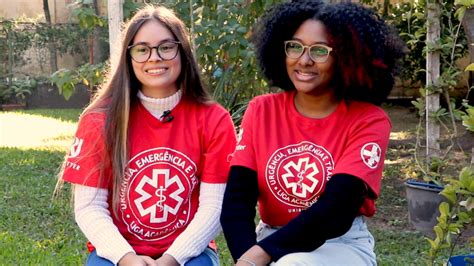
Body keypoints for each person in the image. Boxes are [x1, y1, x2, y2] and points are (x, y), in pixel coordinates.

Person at [220, 1, 405, 265]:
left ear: (346, 57)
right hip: (271, 238)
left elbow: (336, 210)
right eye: (295, 47)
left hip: (340, 243)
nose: (304, 60)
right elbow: (237, 202)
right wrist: (246, 258)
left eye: (319, 51)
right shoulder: (261, 110)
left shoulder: (368, 120)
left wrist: (260, 255)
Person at [57, 5, 236, 266]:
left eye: (166, 47)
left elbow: (214, 206)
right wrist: (126, 257)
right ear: (128, 58)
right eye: (142, 49)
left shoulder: (214, 119)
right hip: (117, 251)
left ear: (183, 52)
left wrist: (173, 258)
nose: (154, 57)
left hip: (189, 252)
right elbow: (89, 207)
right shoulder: (98, 119)